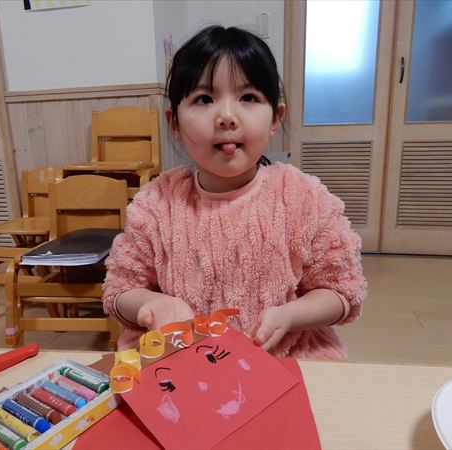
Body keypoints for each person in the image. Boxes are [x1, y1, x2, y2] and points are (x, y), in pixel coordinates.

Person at [103, 25, 366, 360]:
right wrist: (153, 304)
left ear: (276, 118)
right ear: (174, 123)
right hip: (183, 367)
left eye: (248, 98)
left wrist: (289, 315)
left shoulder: (304, 199)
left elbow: (342, 291)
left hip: (285, 363)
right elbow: (119, 290)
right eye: (204, 99)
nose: (227, 117)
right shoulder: (156, 204)